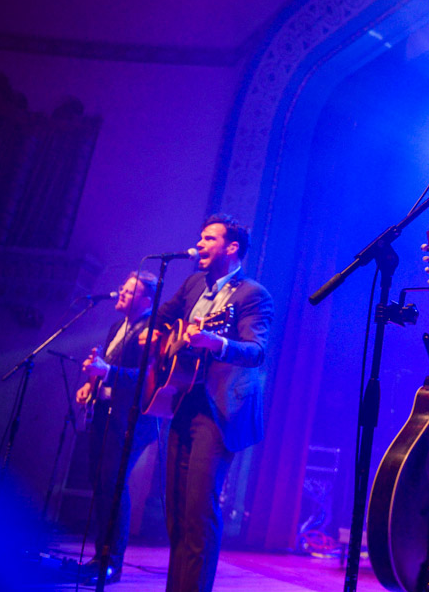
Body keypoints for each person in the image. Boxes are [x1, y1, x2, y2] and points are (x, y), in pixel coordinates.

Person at [143, 213, 273, 592]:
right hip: (182, 400)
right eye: (200, 238)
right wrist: (156, 336)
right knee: (176, 510)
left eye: (208, 239)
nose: (199, 244)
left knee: (199, 510)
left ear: (232, 247)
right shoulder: (193, 283)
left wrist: (217, 343)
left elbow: (256, 351)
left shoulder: (252, 295)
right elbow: (162, 317)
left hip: (220, 410)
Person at [77, 271, 160, 584]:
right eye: (122, 288)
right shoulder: (117, 326)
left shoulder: (151, 331)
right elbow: (107, 369)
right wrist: (91, 383)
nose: (121, 293)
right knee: (100, 482)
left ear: (147, 300)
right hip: (105, 412)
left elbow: (147, 378)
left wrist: (107, 371)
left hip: (131, 419)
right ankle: (100, 557)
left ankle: (112, 562)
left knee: (113, 484)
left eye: (129, 290)